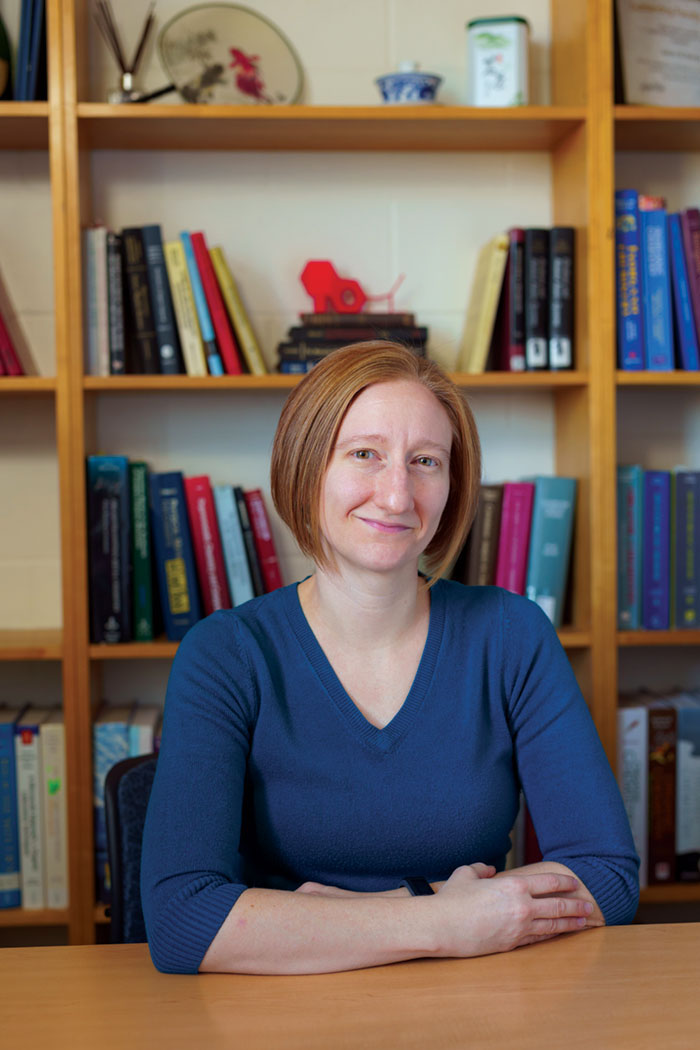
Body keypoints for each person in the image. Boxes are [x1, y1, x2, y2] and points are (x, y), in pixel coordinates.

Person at [141, 341, 639, 975]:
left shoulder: (511, 634)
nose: (398, 495)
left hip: (477, 1007)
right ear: (306, 466)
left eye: (425, 461)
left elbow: (607, 876)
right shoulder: (226, 655)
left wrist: (338, 920)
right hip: (283, 1016)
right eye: (365, 455)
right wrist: (445, 918)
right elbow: (183, 921)